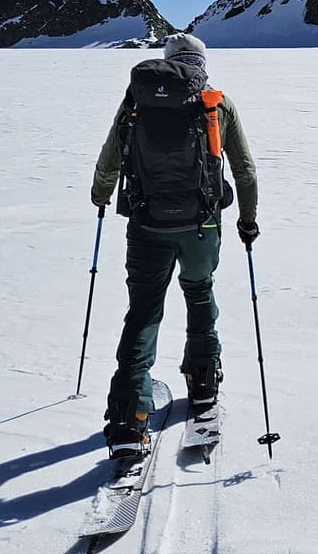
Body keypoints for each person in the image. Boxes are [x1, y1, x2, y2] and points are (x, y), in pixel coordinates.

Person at [90, 32, 259, 457]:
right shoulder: (215, 103)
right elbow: (244, 169)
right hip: (202, 224)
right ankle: (202, 382)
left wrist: (100, 195)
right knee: (199, 293)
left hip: (146, 225)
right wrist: (247, 219)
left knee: (144, 310)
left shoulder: (137, 101)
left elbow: (112, 154)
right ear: (201, 63)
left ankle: (130, 416)